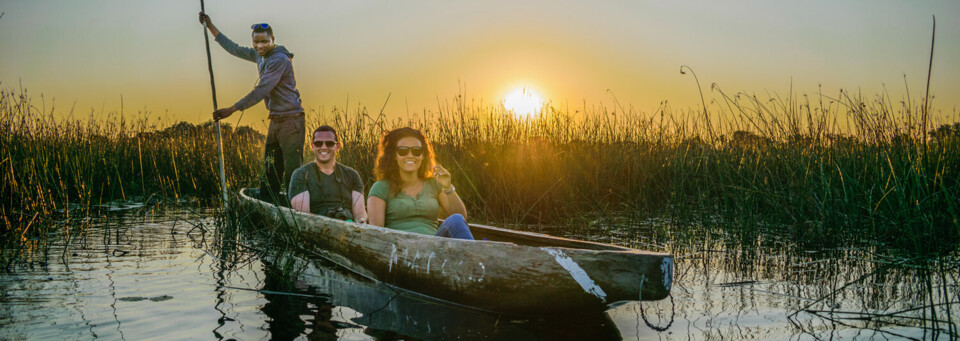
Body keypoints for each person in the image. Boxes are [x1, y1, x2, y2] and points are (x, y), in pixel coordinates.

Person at [199, 13, 305, 205]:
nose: (260, 46)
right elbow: (234, 48)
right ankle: (267, 205)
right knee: (270, 166)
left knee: (292, 170)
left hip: (292, 121)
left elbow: (261, 90)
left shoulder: (278, 60)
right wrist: (211, 26)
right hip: (275, 120)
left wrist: (232, 109)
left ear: (273, 41)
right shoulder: (258, 54)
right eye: (256, 42)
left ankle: (297, 210)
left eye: (265, 42)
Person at [366, 127, 474, 240]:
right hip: (400, 247)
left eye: (416, 151)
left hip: (434, 245)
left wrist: (447, 187)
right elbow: (376, 232)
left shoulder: (433, 184)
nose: (410, 155)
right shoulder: (381, 187)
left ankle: (473, 257)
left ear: (423, 155)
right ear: (394, 155)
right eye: (403, 150)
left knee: (456, 219)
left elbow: (461, 217)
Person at [288, 125, 367, 223]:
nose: (324, 147)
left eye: (329, 143)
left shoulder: (352, 175)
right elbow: (303, 216)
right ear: (312, 146)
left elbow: (359, 214)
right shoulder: (300, 175)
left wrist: (360, 223)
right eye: (318, 143)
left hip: (350, 227)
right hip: (316, 230)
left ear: (337, 146)